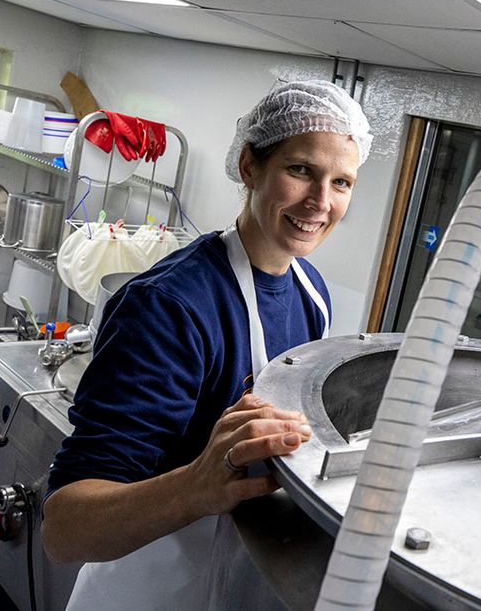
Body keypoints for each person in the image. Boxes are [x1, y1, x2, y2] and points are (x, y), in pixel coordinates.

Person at [41, 80, 373, 609]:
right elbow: (65, 527)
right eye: (301, 170)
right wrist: (197, 485)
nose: (321, 202)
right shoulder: (169, 307)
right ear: (249, 166)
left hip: (233, 579)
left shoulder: (311, 292)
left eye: (342, 182)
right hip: (144, 586)